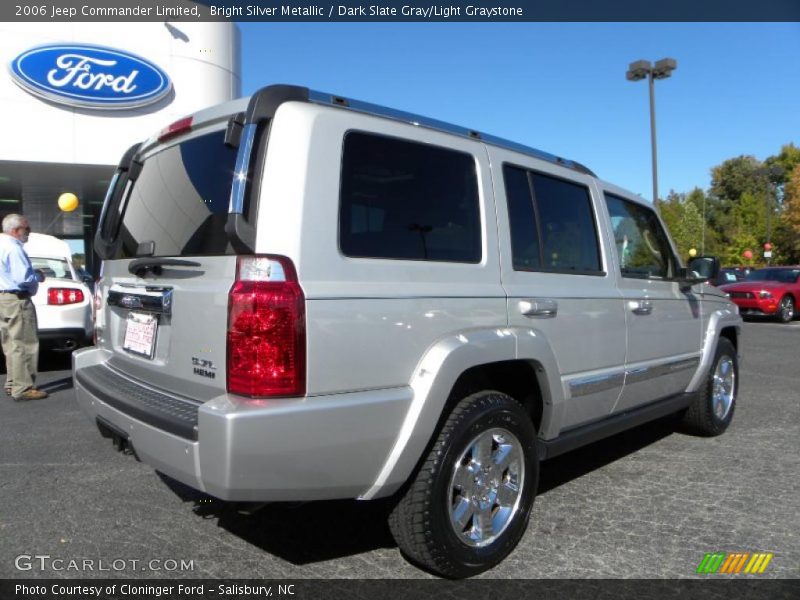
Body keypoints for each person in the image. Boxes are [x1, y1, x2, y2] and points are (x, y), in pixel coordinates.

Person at [0, 214, 47, 401]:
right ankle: (24, 387)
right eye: (26, 229)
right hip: (17, 299)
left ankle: (12, 383)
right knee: (25, 343)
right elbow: (23, 279)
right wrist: (38, 277)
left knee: (10, 344)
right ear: (15, 230)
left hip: (3, 299)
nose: (29, 232)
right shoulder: (13, 247)